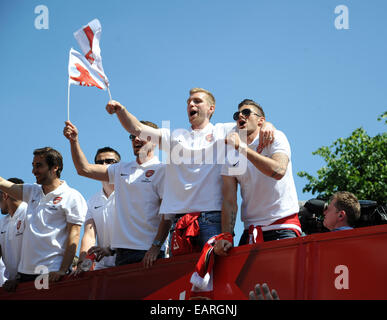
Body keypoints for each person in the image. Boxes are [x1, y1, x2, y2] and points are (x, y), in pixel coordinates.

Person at [104, 88, 275, 254]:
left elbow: (252, 123)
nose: (191, 104)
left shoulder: (223, 130)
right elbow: (137, 129)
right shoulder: (173, 137)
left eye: (197, 101)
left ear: (211, 108)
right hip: (179, 223)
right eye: (188, 102)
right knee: (182, 281)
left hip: (212, 219)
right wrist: (121, 111)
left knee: (213, 277)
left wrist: (268, 124)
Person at [63, 120, 171, 268]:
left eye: (141, 135)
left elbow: (168, 214)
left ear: (154, 140)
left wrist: (156, 247)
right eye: (132, 136)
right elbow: (84, 169)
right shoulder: (121, 169)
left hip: (149, 254)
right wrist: (74, 141)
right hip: (122, 255)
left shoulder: (162, 170)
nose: (136, 139)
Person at [216, 99, 301, 255]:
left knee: (281, 279)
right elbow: (229, 201)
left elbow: (279, 171)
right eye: (237, 114)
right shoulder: (231, 153)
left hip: (282, 226)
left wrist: (242, 149)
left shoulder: (276, 137)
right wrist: (226, 235)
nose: (241, 115)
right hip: (251, 230)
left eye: (247, 112)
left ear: (261, 121)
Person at [0, 147, 87, 291]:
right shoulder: (32, 191)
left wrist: (63, 270)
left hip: (50, 273)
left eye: (39, 166)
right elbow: (4, 184)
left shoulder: (72, 196)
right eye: (33, 166)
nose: (34, 171)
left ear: (55, 167)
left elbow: (74, 235)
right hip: (25, 275)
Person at [75, 147, 121, 273]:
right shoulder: (92, 201)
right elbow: (89, 235)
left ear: (119, 166)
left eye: (109, 161)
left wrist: (111, 249)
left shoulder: (128, 193)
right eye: (99, 163)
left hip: (127, 262)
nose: (104, 165)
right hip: (102, 268)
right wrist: (83, 264)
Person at [0, 178, 27, 284]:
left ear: (5, 195)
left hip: (34, 282)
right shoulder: (2, 222)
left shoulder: (30, 214)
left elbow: (38, 251)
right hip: (11, 285)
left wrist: (20, 279)